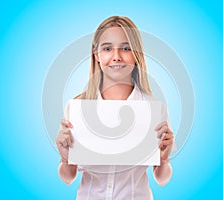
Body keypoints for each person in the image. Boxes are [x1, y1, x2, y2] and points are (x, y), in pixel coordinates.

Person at [56, 16, 174, 200]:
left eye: (126, 48)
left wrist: (164, 159)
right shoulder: (76, 108)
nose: (117, 56)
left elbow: (161, 178)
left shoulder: (153, 109)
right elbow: (68, 177)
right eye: (107, 48)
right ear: (97, 55)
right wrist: (65, 158)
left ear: (136, 54)